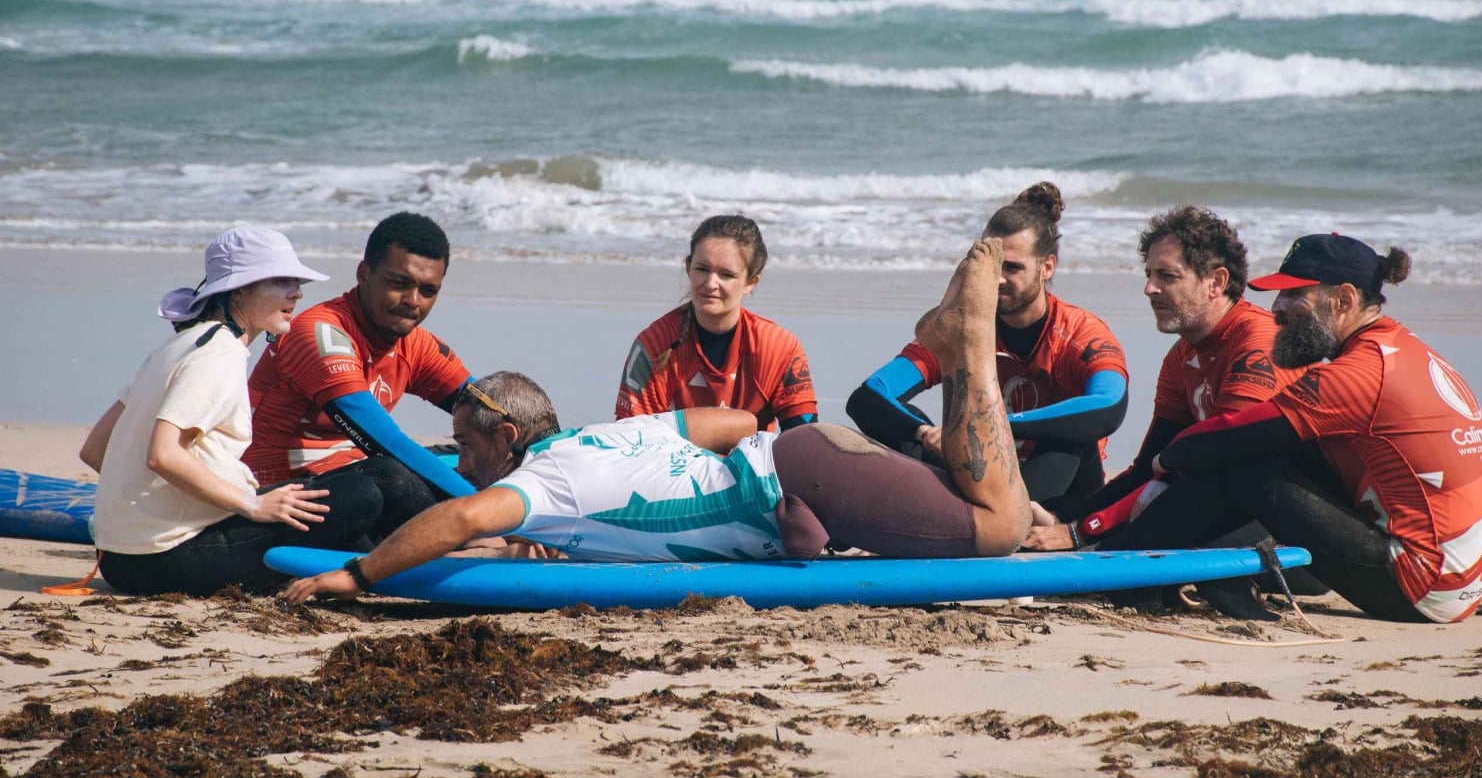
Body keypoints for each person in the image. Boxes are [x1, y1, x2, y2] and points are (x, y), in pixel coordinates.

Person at [283, 238, 1033, 602]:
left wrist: (358, 574)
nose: (462, 458)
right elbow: (732, 418)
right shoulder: (596, 442)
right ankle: (950, 339)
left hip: (812, 476)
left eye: (468, 446)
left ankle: (964, 339)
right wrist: (766, 492)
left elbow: (459, 519)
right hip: (807, 464)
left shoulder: (549, 481)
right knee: (985, 507)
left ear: (508, 438)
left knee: (1003, 527)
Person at [1069, 234, 1482, 624]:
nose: (1276, 309)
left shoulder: (1358, 374)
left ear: (1343, 299)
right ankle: (1159, 563)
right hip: (1463, 575)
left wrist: (1167, 459)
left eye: (1293, 295)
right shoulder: (1404, 351)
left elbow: (1231, 436)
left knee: (1244, 462)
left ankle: (1126, 570)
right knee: (1271, 451)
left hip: (1423, 583)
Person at [79, 227, 383, 596]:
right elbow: (162, 454)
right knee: (363, 495)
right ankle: (395, 572)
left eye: (297, 282)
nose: (298, 292)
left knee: (331, 505)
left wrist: (156, 510)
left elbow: (95, 449)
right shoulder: (219, 354)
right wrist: (250, 505)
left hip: (118, 554)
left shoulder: (178, 344)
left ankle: (374, 566)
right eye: (281, 281)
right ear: (238, 291)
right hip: (160, 560)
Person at [1026, 206, 1305, 549]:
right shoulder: (1181, 356)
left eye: (1167, 277)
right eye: (1149, 274)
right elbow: (1148, 468)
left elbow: (1220, 460)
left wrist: (1081, 531)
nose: (1149, 289)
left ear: (1215, 282)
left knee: (1157, 512)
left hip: (1286, 528)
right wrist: (1064, 516)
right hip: (1218, 504)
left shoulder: (1259, 339)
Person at [847, 183, 1127, 504]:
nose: (998, 279)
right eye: (992, 267)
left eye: (1012, 267)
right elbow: (869, 395)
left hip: (1056, 489)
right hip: (981, 475)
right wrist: (926, 434)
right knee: (900, 424)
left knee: (1070, 436)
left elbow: (1109, 406)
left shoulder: (1080, 333)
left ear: (1046, 267)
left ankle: (1002, 519)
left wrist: (989, 425)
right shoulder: (961, 329)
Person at [244, 212, 477, 542]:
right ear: (364, 273)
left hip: (351, 481)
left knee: (461, 457)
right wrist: (489, 511)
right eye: (398, 284)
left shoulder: (415, 343)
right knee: (392, 477)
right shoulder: (319, 332)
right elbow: (386, 443)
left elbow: (492, 413)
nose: (413, 302)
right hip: (280, 496)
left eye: (427, 291)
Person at [615, 214, 817, 432]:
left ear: (750, 282)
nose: (710, 283)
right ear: (688, 267)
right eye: (702, 269)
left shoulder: (778, 348)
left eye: (726, 274)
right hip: (672, 464)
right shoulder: (655, 344)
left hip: (750, 465)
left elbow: (804, 440)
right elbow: (628, 439)